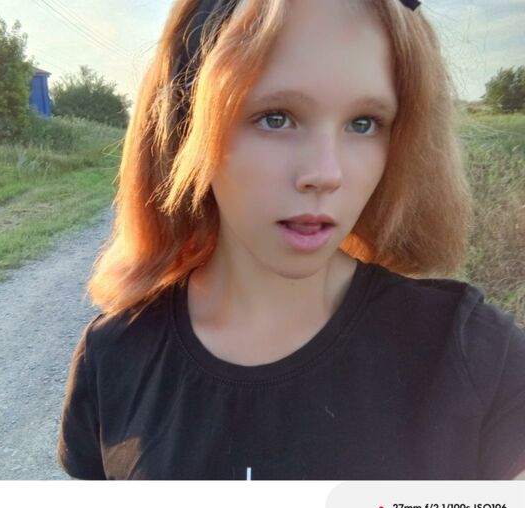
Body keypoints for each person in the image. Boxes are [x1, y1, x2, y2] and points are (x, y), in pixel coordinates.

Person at [56, 0, 525, 480]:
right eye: (276, 117)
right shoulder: (114, 356)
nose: (326, 173)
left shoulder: (477, 357)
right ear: (186, 126)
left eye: (364, 123)